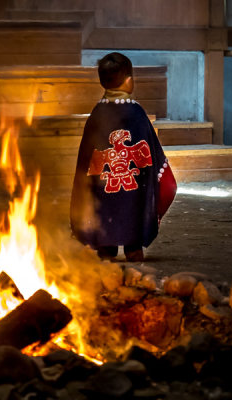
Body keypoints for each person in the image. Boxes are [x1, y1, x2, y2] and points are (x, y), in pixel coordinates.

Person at [70, 52, 177, 262]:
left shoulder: (97, 114)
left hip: (104, 187)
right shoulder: (136, 113)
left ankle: (106, 249)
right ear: (129, 80)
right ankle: (133, 250)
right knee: (133, 215)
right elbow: (151, 156)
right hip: (133, 187)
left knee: (104, 214)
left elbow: (86, 161)